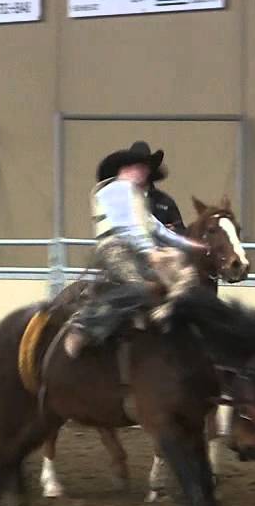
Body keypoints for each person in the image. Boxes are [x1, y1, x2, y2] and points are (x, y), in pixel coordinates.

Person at [63, 142, 207, 358]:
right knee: (139, 288)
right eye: (138, 167)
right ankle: (84, 326)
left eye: (145, 168)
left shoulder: (137, 198)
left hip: (139, 252)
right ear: (123, 169)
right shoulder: (115, 190)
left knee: (187, 276)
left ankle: (162, 314)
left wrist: (192, 245)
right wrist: (150, 251)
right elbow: (126, 226)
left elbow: (158, 229)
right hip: (115, 248)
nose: (144, 172)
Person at [134, 141, 186, 233]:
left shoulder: (165, 202)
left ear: (150, 169)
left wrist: (173, 232)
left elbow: (181, 232)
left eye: (143, 166)